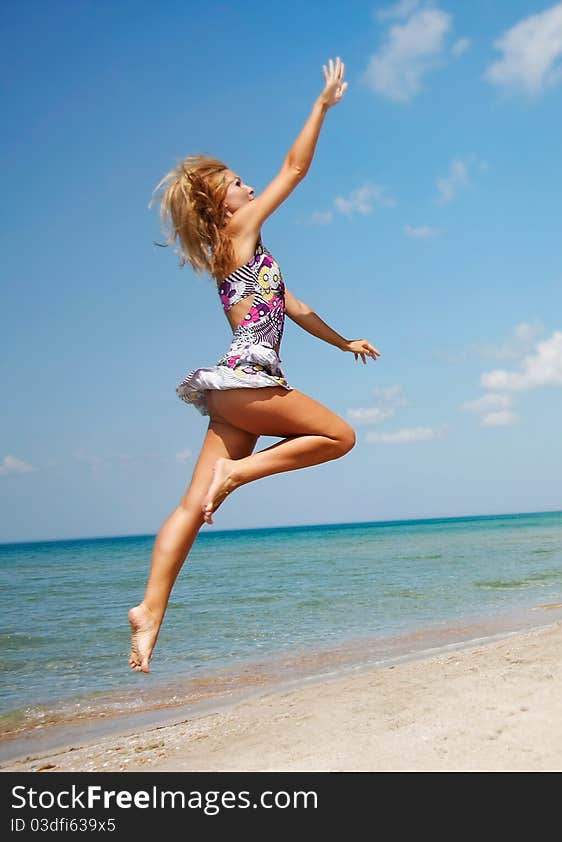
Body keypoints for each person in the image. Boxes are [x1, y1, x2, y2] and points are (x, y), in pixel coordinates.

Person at [129, 57, 378, 673]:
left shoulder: (242, 255)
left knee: (191, 505)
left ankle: (150, 612)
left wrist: (344, 343)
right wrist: (322, 106)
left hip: (230, 390)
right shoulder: (239, 230)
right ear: (222, 206)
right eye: (237, 183)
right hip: (250, 379)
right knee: (339, 436)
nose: (247, 188)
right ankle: (236, 478)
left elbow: (297, 308)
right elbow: (295, 169)